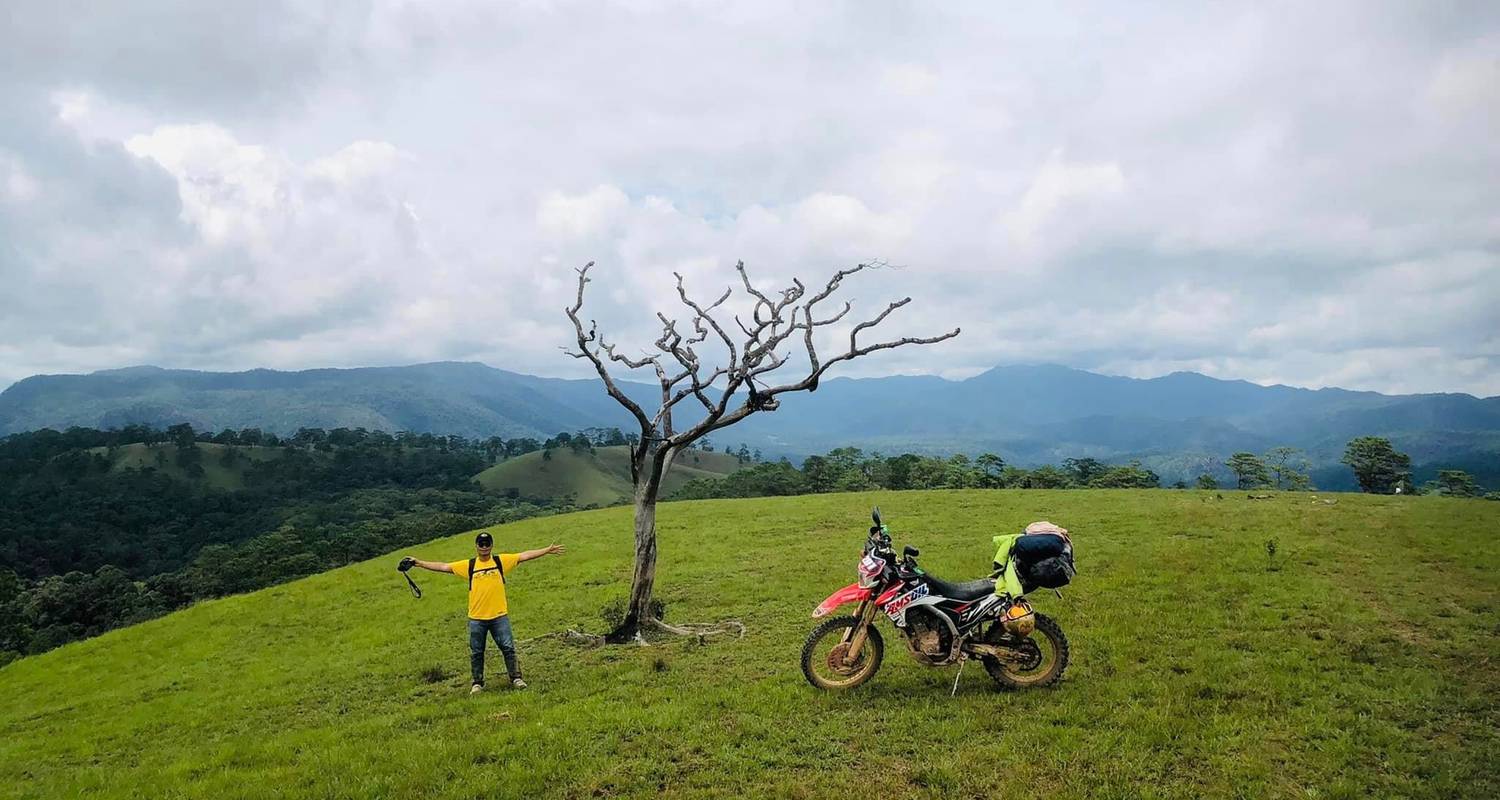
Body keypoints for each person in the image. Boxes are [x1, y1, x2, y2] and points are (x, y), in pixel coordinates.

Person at [406, 531, 565, 693]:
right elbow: (444, 566)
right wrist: (418, 563)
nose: (484, 547)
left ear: (491, 545)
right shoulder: (470, 565)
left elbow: (523, 556)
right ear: (476, 546)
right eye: (481, 544)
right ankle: (477, 683)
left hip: (499, 616)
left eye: (487, 544)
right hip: (476, 618)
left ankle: (516, 678)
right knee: (477, 652)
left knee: (508, 648)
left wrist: (546, 550)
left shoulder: (500, 561)